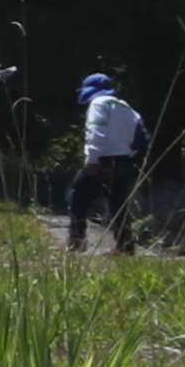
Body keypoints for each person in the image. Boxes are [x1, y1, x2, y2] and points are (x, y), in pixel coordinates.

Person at [66, 72, 147, 252]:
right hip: (125, 161)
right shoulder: (125, 107)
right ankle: (126, 247)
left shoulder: (98, 103)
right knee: (118, 205)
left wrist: (91, 159)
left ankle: (77, 241)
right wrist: (128, 154)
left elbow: (96, 131)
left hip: (102, 161)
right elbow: (141, 136)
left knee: (77, 195)